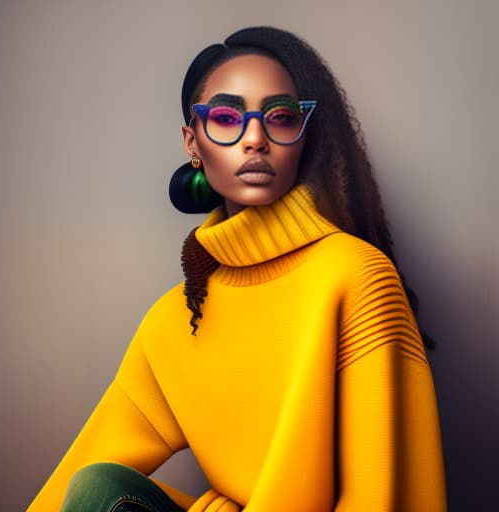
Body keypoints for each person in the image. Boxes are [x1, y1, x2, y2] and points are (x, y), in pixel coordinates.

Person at [28, 26, 447, 511]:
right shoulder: (174, 321)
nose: (254, 138)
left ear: (302, 136)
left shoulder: (354, 276)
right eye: (227, 117)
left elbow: (381, 495)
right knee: (97, 487)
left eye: (281, 117)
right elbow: (73, 486)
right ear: (192, 141)